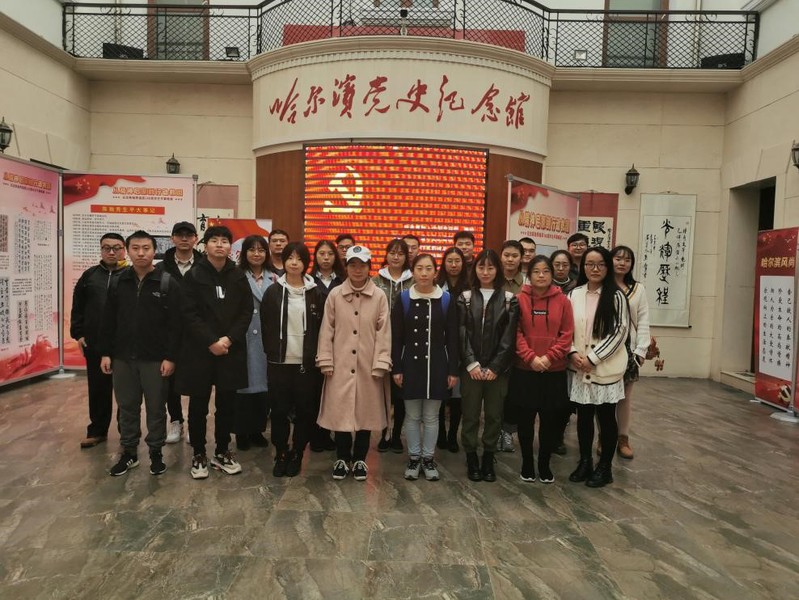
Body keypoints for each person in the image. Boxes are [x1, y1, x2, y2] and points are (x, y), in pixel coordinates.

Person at [99, 231, 182, 476]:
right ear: (127, 251)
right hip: (123, 357)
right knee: (127, 406)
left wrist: (170, 357)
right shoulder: (118, 282)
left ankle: (156, 452)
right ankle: (129, 453)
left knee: (156, 407)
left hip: (155, 358)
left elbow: (176, 325)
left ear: (154, 250)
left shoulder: (166, 282)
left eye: (146, 248)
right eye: (135, 248)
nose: (141, 253)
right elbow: (108, 320)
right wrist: (105, 353)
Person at [176, 225, 252, 480]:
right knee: (198, 405)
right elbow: (188, 313)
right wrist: (211, 341)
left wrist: (228, 339)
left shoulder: (238, 276)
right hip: (200, 351)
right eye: (214, 240)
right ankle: (199, 452)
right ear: (205, 245)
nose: (220, 245)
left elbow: (246, 312)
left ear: (231, 247)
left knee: (227, 404)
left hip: (231, 350)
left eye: (224, 241)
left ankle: (222, 450)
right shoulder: (194, 275)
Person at [317, 245, 391, 481]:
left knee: (365, 413)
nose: (357, 269)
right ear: (346, 267)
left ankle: (360, 458)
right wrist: (326, 359)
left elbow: (384, 332)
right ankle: (341, 457)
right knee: (340, 413)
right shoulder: (335, 295)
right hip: (339, 365)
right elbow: (327, 329)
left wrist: (380, 362)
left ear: (370, 267)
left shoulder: (379, 296)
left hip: (368, 366)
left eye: (362, 265)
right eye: (353, 265)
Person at [392, 253, 459, 482]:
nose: (423, 273)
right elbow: (396, 337)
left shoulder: (446, 299)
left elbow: (453, 338)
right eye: (419, 268)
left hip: (437, 365)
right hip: (410, 364)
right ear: (413, 271)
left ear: (435, 272)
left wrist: (453, 370)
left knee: (431, 416)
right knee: (412, 416)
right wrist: (397, 367)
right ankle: (413, 458)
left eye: (428, 268)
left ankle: (428, 459)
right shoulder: (403, 299)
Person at [567, 246, 629, 488]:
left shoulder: (616, 296)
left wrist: (593, 358)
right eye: (589, 264)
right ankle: (585, 461)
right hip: (580, 367)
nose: (595, 269)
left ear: (607, 267)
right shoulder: (574, 294)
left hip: (605, 367)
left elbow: (620, 332)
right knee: (583, 417)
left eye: (600, 264)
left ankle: (605, 467)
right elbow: (566, 328)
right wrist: (573, 352)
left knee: (606, 418)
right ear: (583, 267)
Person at [261, 242, 325, 477]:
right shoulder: (273, 292)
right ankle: (281, 452)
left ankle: (297, 451)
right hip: (279, 362)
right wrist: (271, 351)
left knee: (305, 411)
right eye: (290, 258)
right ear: (284, 261)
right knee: (279, 411)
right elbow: (266, 324)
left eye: (299, 259)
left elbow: (323, 327)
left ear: (306, 263)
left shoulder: (316, 293)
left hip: (306, 364)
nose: (294, 263)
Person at [458, 249, 519, 482]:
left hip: (498, 371)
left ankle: (488, 456)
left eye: (490, 267)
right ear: (474, 269)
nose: (485, 272)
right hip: (470, 369)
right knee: (470, 415)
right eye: (481, 267)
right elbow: (461, 332)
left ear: (498, 270)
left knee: (494, 415)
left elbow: (509, 337)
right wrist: (471, 363)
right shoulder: (464, 297)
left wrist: (495, 366)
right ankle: (472, 456)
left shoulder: (509, 299)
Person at [513, 255, 574, 483]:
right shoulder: (519, 299)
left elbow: (567, 335)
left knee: (550, 422)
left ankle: (544, 464)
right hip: (525, 370)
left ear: (552, 274)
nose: (541, 275)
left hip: (553, 371)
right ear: (529, 275)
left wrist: (548, 358)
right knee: (525, 421)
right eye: (536, 271)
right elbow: (515, 333)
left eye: (546, 271)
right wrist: (531, 358)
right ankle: (527, 463)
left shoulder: (563, 301)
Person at [71, 232, 127, 449]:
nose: (111, 252)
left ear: (124, 250)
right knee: (98, 388)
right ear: (101, 250)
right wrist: (79, 334)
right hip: (94, 343)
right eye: (106, 248)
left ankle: (126, 432)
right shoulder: (90, 276)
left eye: (116, 248)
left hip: (124, 343)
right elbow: (78, 307)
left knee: (125, 390)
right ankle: (97, 431)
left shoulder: (131, 275)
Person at [159, 221, 202, 444]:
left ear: (196, 238)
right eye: (179, 235)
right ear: (172, 238)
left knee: (197, 380)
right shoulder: (161, 267)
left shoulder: (205, 266)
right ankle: (176, 421)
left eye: (189, 235)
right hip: (168, 331)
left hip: (197, 333)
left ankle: (195, 424)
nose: (184, 239)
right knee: (170, 380)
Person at [373, 239, 414, 453]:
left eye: (400, 253)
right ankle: (383, 433)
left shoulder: (414, 280)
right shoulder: (374, 280)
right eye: (392, 252)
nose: (396, 257)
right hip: (379, 343)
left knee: (400, 393)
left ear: (407, 257)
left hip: (406, 345)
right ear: (386, 254)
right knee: (381, 393)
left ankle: (396, 435)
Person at [611, 245, 651, 460]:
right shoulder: (604, 286)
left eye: (627, 260)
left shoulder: (638, 289)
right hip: (606, 349)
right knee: (606, 398)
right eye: (618, 258)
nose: (622, 263)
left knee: (625, 397)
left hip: (629, 349)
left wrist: (641, 350)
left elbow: (643, 319)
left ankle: (623, 438)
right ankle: (604, 437)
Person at [234, 235, 273, 452]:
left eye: (261, 250)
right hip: (244, 337)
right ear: (244, 253)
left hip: (266, 339)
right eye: (252, 249)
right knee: (242, 387)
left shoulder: (275, 278)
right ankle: (241, 432)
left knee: (262, 388)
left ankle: (257, 430)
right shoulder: (236, 275)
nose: (256, 254)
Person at [309, 239, 344, 452]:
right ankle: (316, 435)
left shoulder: (342, 280)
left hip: (340, 342)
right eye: (322, 253)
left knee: (334, 392)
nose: (326, 258)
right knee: (314, 392)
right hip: (313, 340)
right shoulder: (308, 280)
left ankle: (331, 433)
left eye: (330, 254)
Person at [435, 247, 470, 452]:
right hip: (440, 346)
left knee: (458, 396)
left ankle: (452, 435)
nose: (454, 265)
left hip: (463, 346)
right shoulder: (437, 286)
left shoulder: (470, 286)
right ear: (444, 263)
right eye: (450, 261)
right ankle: (440, 433)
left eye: (457, 261)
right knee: (440, 394)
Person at [497, 239, 525, 453]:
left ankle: (507, 431)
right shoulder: (492, 279)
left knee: (513, 393)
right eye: (506, 255)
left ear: (521, 258)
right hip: (493, 345)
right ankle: (493, 431)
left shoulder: (527, 283)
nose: (510, 259)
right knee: (495, 393)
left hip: (518, 345)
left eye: (514, 256)